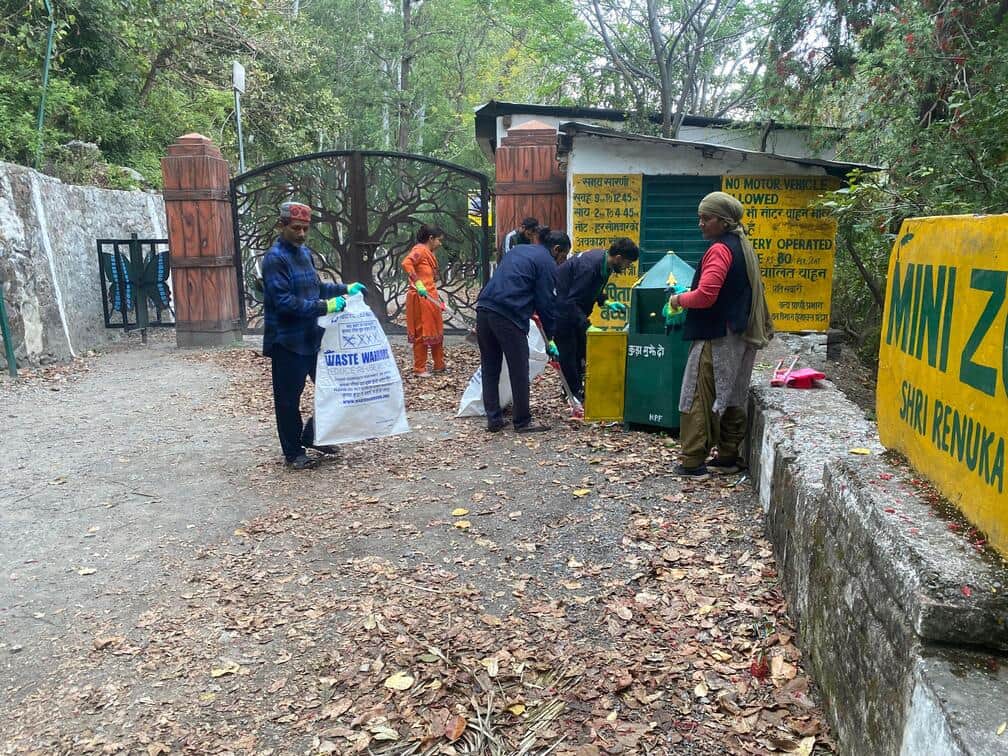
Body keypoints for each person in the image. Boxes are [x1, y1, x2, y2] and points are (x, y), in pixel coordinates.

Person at [666, 191, 773, 480]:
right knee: (734, 393)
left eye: (707, 218)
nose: (700, 224)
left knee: (697, 395)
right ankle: (727, 457)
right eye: (699, 217)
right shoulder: (741, 245)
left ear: (723, 221)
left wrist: (678, 300)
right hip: (738, 334)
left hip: (716, 335)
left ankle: (692, 461)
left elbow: (706, 296)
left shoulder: (719, 249)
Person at [262, 201, 367, 470]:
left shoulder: (304, 253)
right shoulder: (275, 259)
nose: (301, 234)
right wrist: (326, 307)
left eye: (305, 229)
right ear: (281, 225)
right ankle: (293, 452)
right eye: (296, 228)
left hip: (312, 338)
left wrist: (346, 288)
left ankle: (314, 435)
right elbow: (284, 302)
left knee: (333, 390)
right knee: (288, 400)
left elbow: (316, 287)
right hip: (287, 341)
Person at [476, 230, 571, 433]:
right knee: (519, 368)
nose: (561, 263)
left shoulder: (518, 251)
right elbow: (546, 303)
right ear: (556, 249)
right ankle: (522, 421)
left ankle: (493, 419)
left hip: (484, 308)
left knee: (490, 366)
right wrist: (551, 338)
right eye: (562, 257)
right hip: (508, 314)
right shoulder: (546, 263)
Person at [553, 237, 640, 401]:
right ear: (619, 258)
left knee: (581, 350)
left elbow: (590, 288)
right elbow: (572, 300)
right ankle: (572, 394)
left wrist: (605, 301)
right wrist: (586, 326)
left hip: (572, 308)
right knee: (569, 352)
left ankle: (577, 390)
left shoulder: (604, 262)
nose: (627, 267)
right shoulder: (590, 266)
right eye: (627, 263)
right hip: (561, 310)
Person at [402, 224, 446, 377]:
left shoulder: (428, 253)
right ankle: (419, 368)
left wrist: (438, 300)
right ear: (431, 238)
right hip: (420, 297)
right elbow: (406, 263)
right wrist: (418, 282)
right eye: (439, 240)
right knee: (422, 331)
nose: (440, 244)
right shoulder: (419, 250)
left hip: (430, 297)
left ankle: (439, 365)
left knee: (436, 330)